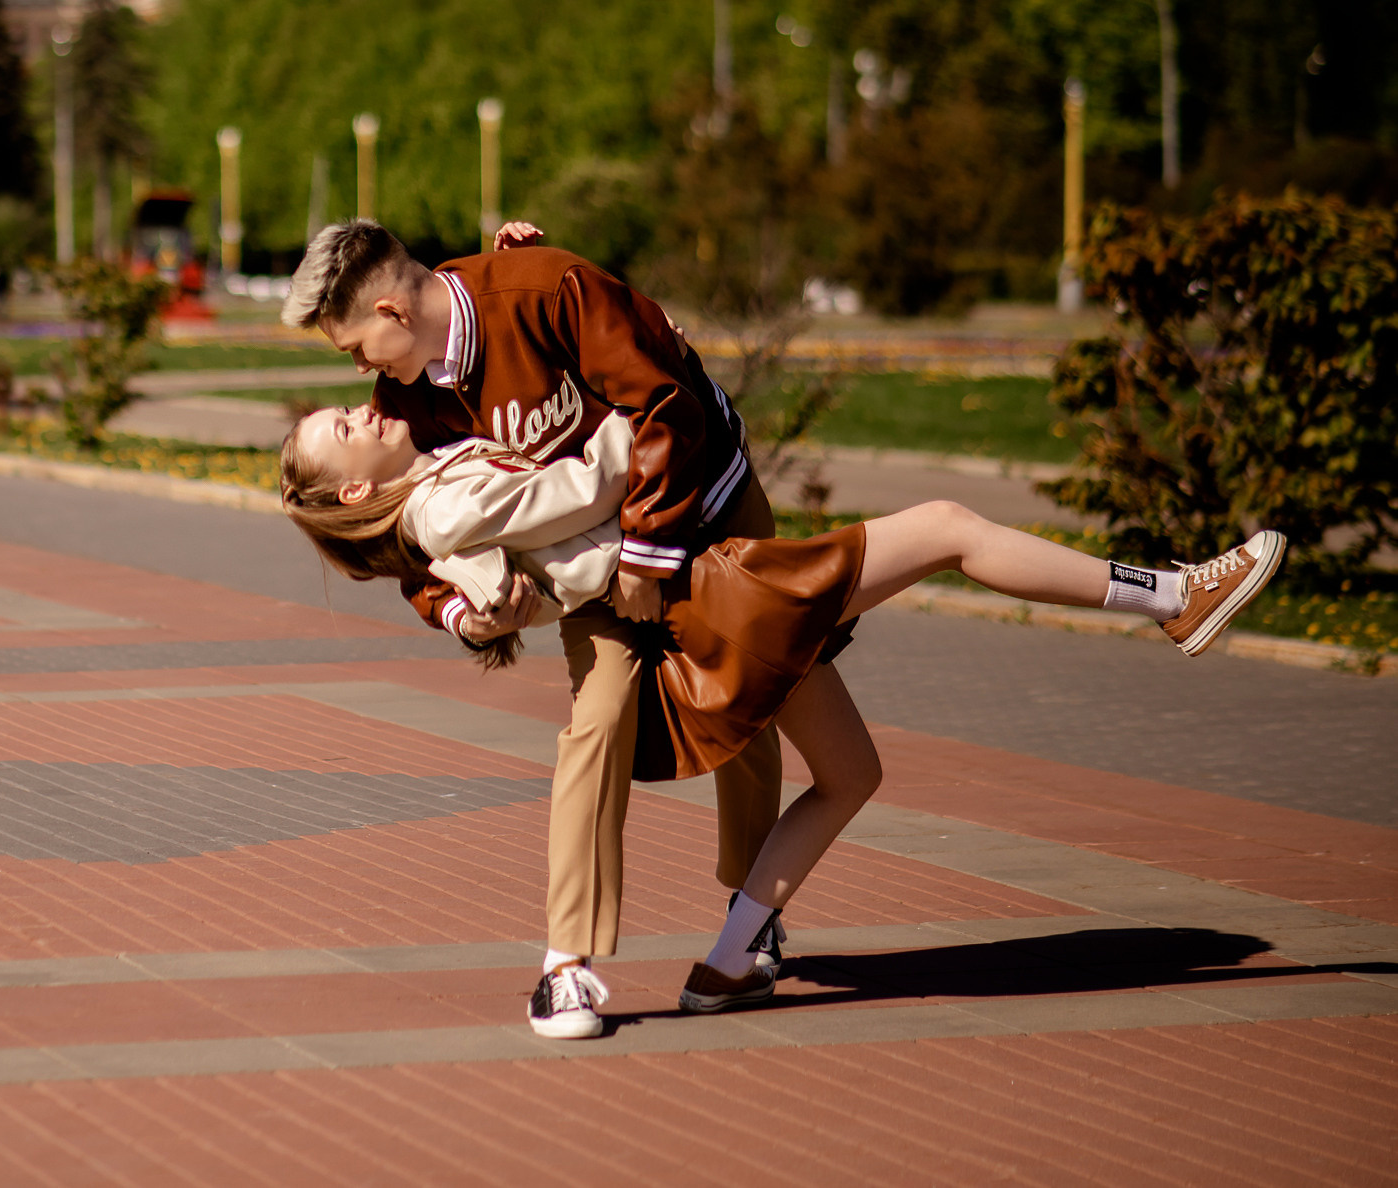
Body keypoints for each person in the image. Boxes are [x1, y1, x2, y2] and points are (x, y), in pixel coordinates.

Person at [279, 395, 1285, 1020]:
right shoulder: (436, 506)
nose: (358, 411)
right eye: (341, 429)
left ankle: (726, 963)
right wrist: (656, 402)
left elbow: (497, 573)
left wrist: (487, 603)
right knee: (942, 524)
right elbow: (584, 491)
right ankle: (1173, 597)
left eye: (345, 408)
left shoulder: (440, 470)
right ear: (347, 488)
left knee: (853, 774)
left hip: (705, 598)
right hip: (717, 595)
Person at [281, 219, 787, 1038]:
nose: (360, 371)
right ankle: (567, 966)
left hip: (703, 504)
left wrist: (651, 554)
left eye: (355, 348)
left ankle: (752, 906)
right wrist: (475, 617)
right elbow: (413, 555)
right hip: (594, 572)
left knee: (747, 702)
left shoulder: (538, 291)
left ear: (390, 311)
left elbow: (663, 402)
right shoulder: (401, 407)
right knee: (597, 724)